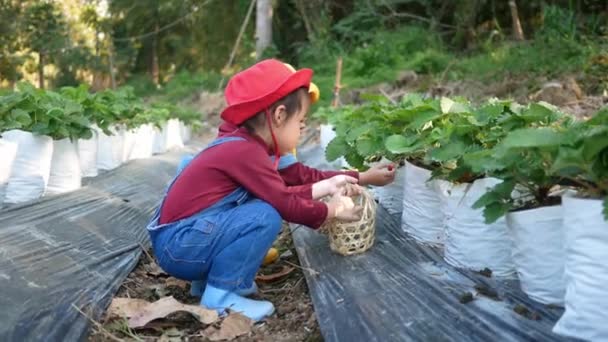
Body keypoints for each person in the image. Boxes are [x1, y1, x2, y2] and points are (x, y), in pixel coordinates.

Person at [147, 59, 395, 322]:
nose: (303, 128)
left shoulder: (246, 143)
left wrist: (338, 182)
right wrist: (331, 210)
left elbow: (290, 185)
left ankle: (211, 282)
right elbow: (283, 202)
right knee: (264, 214)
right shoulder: (245, 152)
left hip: (182, 240)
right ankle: (218, 298)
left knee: (260, 204)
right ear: (278, 115)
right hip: (180, 245)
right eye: (300, 120)